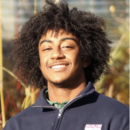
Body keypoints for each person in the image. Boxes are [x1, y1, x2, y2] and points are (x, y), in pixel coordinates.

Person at [3, 0, 129, 130]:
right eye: (47, 48)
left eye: (67, 46)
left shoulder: (118, 118)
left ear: (86, 58)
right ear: (38, 62)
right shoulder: (18, 125)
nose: (56, 54)